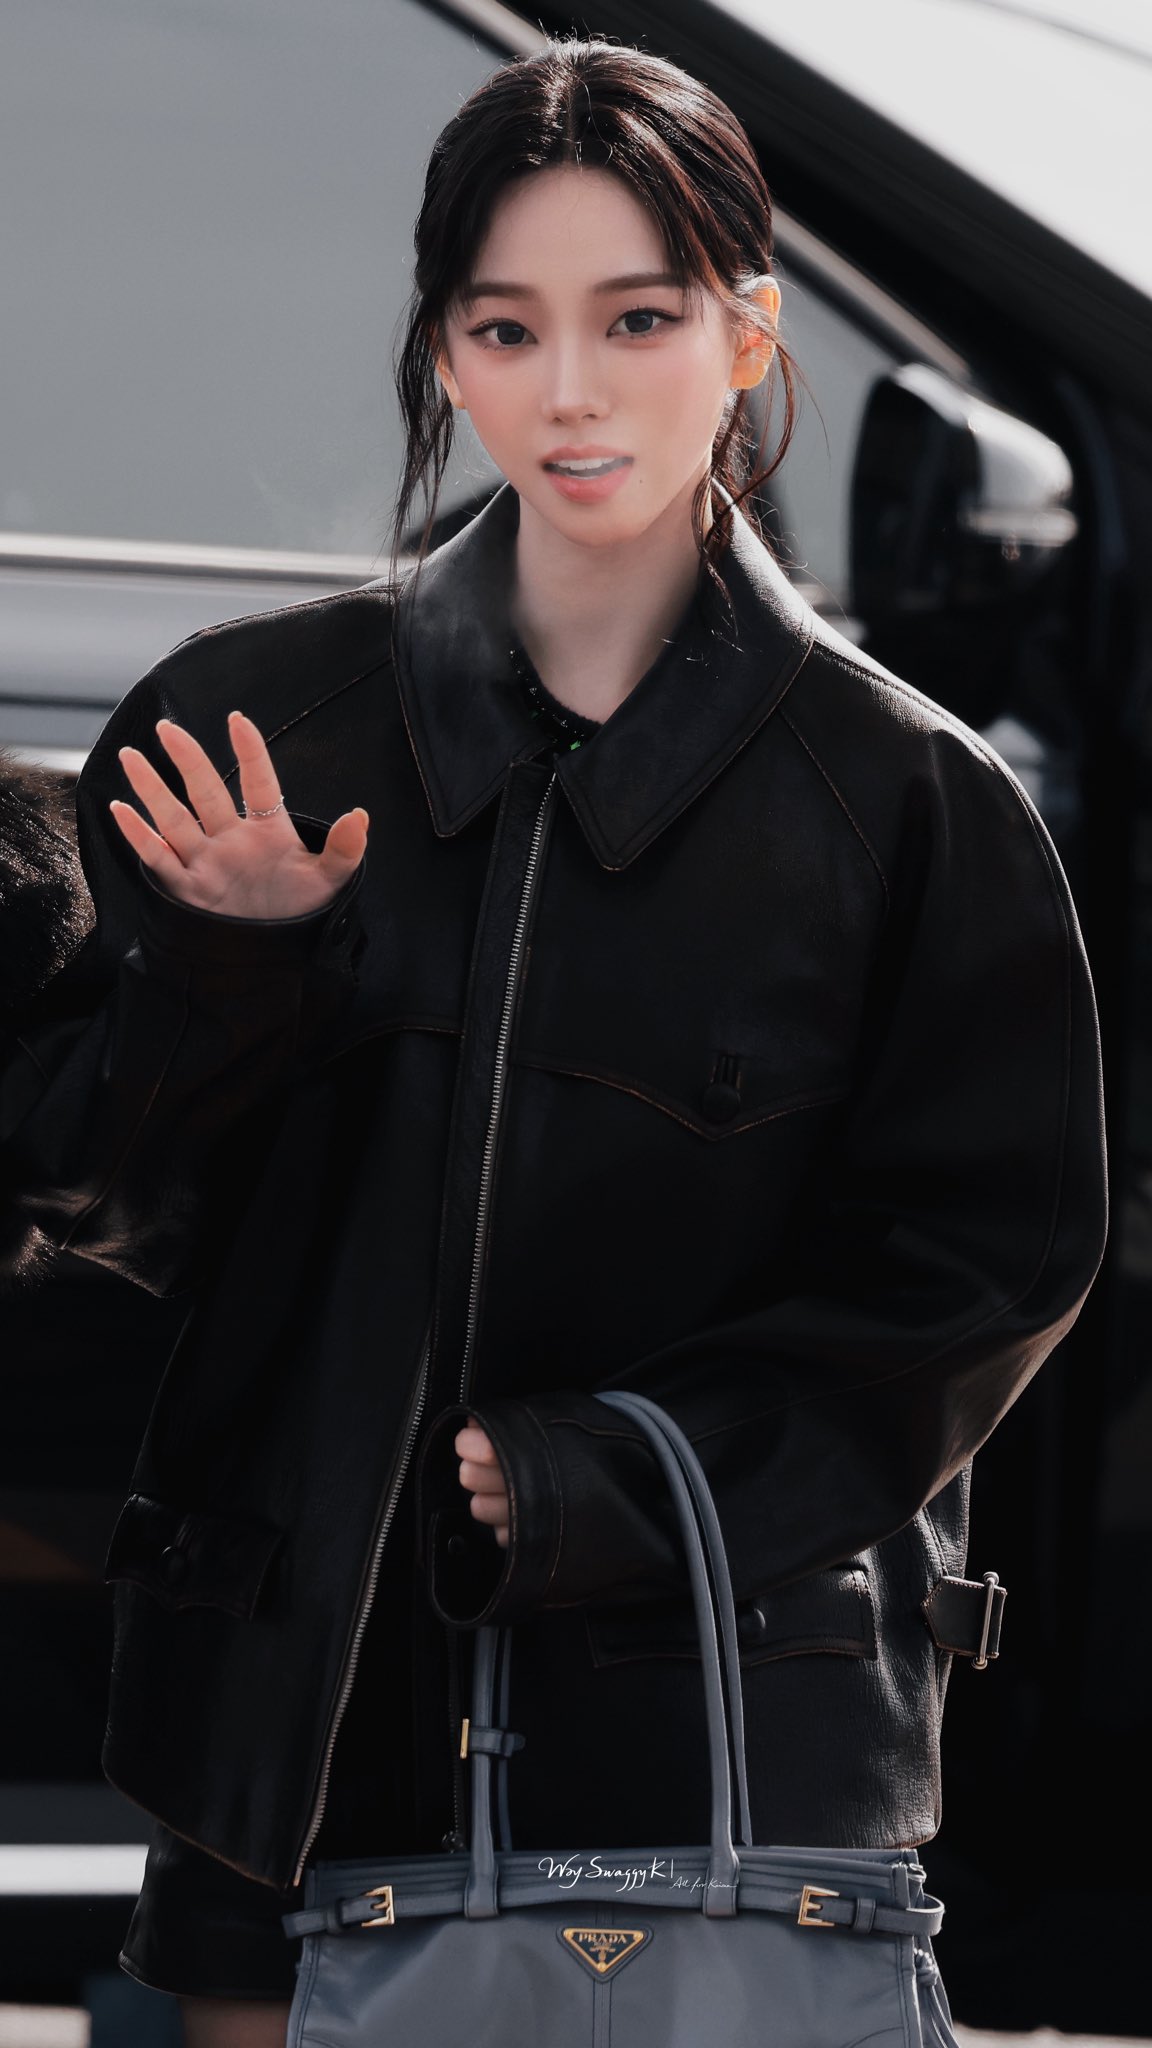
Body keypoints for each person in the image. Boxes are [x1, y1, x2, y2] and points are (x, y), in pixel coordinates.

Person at [0, 37, 1107, 2048]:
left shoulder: (911, 804)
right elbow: (89, 1192)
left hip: (732, 1749)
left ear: (748, 337)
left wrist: (609, 1483)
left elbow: (975, 1284)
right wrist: (230, 972)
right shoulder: (257, 728)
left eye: (639, 319)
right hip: (296, 1759)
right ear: (445, 351)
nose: (572, 390)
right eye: (509, 328)